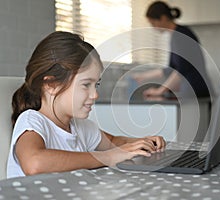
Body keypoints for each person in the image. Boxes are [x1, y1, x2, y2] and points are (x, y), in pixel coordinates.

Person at [7, 31, 166, 178]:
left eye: (95, 85)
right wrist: (108, 157)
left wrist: (142, 142)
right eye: (85, 85)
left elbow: (115, 142)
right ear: (51, 84)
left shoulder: (82, 128)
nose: (95, 94)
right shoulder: (32, 121)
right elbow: (34, 163)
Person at [132, 1, 210, 98]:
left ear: (163, 18)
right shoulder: (174, 35)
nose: (153, 27)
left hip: (196, 90)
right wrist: (143, 76)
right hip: (190, 90)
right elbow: (171, 69)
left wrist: (160, 91)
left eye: (153, 23)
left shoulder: (181, 35)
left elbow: (181, 70)